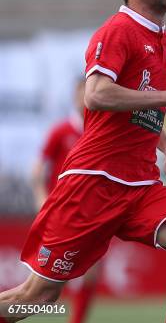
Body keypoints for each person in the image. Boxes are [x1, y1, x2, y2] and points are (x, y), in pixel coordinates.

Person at [0, 0, 166, 323]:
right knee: (39, 298)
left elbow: (141, 108)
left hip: (139, 185)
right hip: (94, 183)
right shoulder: (118, 30)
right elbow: (98, 94)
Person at [31, 80, 100, 323]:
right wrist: (42, 201)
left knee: (91, 271)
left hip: (93, 215)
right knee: (42, 290)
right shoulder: (61, 132)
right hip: (61, 215)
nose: (85, 99)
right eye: (82, 93)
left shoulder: (100, 131)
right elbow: (38, 171)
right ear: (74, 96)